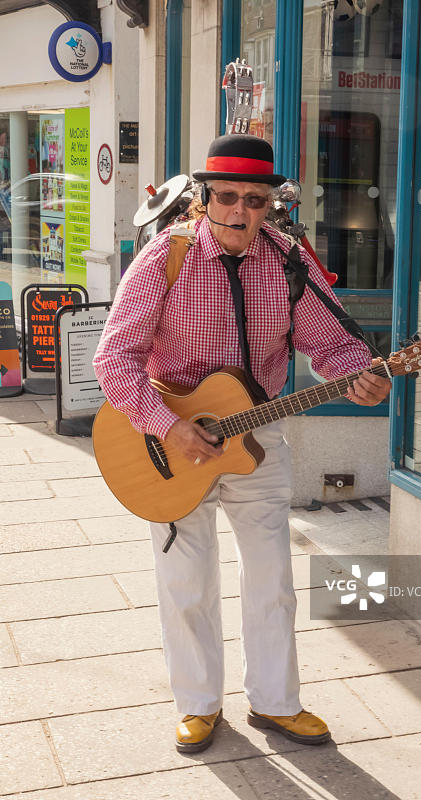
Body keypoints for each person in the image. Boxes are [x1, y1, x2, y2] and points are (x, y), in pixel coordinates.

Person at [93, 134, 391, 754]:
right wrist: (167, 423)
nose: (239, 211)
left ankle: (277, 704)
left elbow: (333, 344)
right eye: (226, 196)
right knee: (187, 580)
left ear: (268, 204)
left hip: (261, 439)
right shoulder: (164, 261)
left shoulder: (287, 262)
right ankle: (199, 706)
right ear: (203, 199)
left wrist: (361, 375)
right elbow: (114, 359)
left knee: (272, 580)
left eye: (253, 200)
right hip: (171, 444)